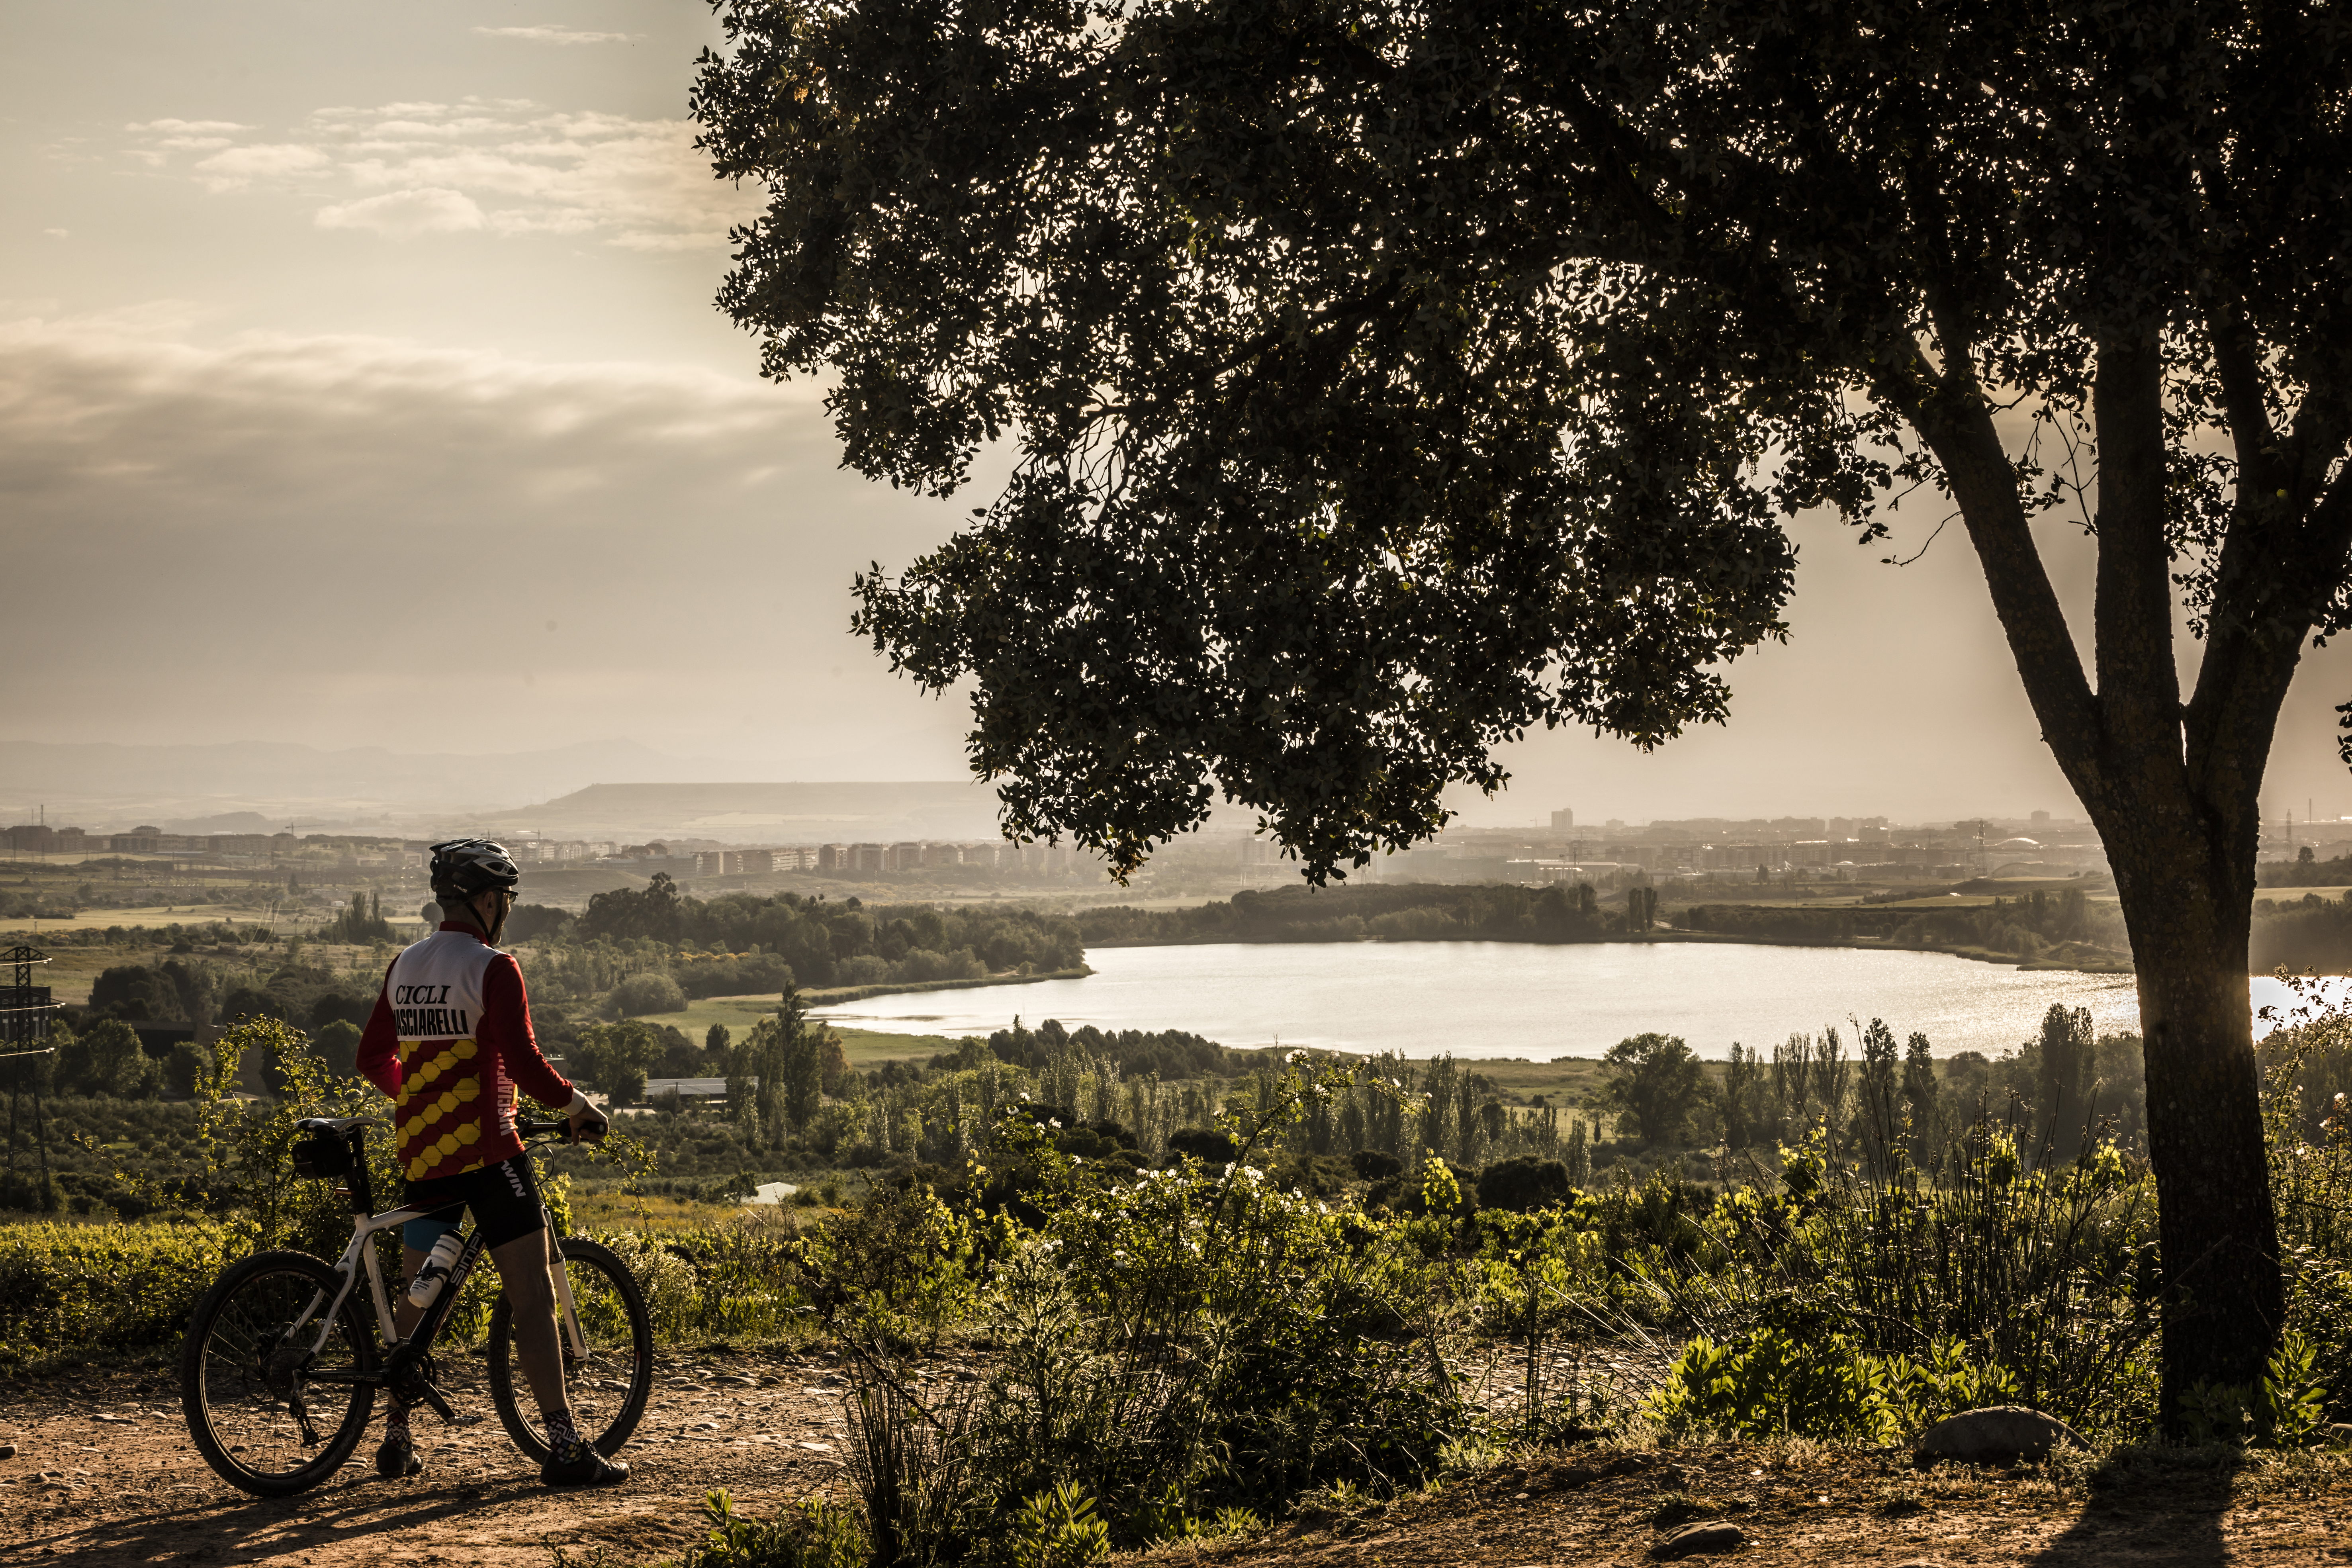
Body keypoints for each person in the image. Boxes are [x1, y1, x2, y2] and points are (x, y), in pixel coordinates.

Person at [355, 838, 627, 1487]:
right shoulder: (493, 967)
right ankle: (562, 1448)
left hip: (423, 1153)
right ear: (485, 900)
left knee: (418, 1293)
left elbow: (373, 1059)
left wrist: (420, 1099)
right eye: (504, 897)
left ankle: (396, 1438)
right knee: (530, 1297)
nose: (505, 908)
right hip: (486, 1151)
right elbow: (527, 1064)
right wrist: (577, 1106)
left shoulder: (406, 963)